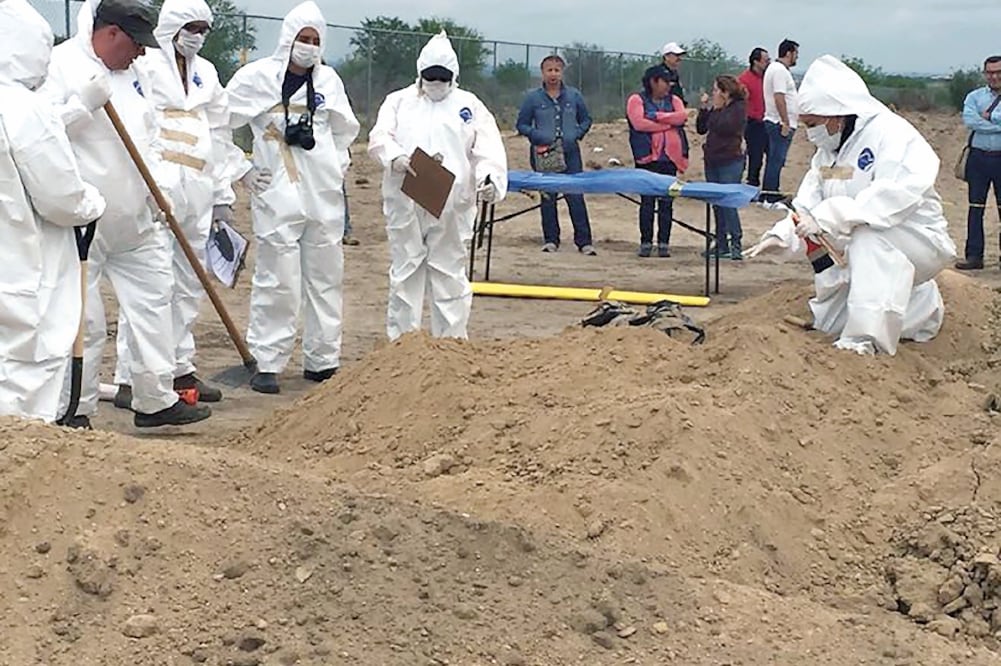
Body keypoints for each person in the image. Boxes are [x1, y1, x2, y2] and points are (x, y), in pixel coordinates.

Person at [41, 0, 211, 427]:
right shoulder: (59, 66)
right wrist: (82, 104)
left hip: (138, 220)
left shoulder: (138, 74)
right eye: (135, 44)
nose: (141, 53)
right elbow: (37, 135)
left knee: (156, 305)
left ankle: (154, 399)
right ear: (111, 33)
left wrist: (162, 190)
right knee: (86, 322)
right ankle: (74, 407)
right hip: (82, 224)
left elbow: (152, 137)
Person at [747, 55, 957, 356]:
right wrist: (783, 235)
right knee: (831, 314)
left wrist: (831, 216)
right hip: (858, 241)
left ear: (836, 116)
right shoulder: (828, 151)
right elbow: (809, 201)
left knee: (868, 238)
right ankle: (918, 309)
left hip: (917, 238)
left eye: (812, 124)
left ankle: (865, 341)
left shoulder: (893, 134)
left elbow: (892, 196)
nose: (809, 132)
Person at [113, 0, 251, 410]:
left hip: (199, 189)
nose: (197, 35)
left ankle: (179, 366)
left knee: (189, 282)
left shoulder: (206, 73)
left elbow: (220, 131)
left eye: (203, 29)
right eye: (190, 26)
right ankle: (130, 375)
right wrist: (149, 186)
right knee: (151, 284)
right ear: (172, 26)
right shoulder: (146, 66)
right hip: (159, 185)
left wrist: (223, 194)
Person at [226, 0, 360, 395]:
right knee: (277, 279)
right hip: (277, 190)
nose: (309, 46)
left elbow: (343, 131)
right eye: (303, 38)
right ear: (288, 39)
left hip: (322, 194)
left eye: (316, 40)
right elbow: (216, 124)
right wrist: (241, 169)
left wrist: (337, 165)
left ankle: (322, 359)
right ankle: (268, 361)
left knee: (325, 277)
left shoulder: (329, 81)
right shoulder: (256, 78)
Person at [0, 0, 108, 423]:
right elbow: (61, 198)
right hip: (26, 271)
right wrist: (91, 202)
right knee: (26, 371)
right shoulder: (24, 110)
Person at [368, 30, 508, 341]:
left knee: (449, 273)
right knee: (406, 271)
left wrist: (490, 178)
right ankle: (403, 345)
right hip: (405, 198)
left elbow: (488, 149)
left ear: (453, 75)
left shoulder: (469, 105)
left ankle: (452, 344)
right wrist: (396, 158)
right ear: (420, 73)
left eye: (442, 77)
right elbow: (379, 138)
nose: (436, 82)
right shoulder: (399, 102)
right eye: (430, 76)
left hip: (453, 205)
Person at [515, 54, 595, 255]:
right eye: (549, 70)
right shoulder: (532, 98)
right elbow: (522, 124)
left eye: (557, 70)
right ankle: (551, 240)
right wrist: (537, 136)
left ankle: (584, 242)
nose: (553, 74)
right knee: (548, 197)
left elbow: (586, 120)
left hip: (570, 154)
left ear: (562, 72)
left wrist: (576, 134)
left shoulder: (574, 96)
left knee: (575, 196)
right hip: (544, 154)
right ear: (542, 72)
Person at [625, 64, 688, 258]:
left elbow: (682, 117)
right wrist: (667, 125)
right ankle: (645, 242)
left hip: (669, 159)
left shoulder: (674, 100)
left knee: (667, 202)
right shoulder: (637, 100)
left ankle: (663, 243)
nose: (668, 86)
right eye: (665, 82)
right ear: (653, 82)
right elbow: (639, 123)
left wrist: (658, 117)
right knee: (647, 202)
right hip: (646, 158)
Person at [955, 55, 1001, 271]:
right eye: (990, 72)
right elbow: (970, 120)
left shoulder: (981, 103)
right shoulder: (974, 97)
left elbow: (980, 122)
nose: (994, 76)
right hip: (978, 157)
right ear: (985, 74)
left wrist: (989, 118)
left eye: (998, 72)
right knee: (975, 208)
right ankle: (974, 256)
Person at [696, 75, 748, 260]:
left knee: (728, 202)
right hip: (713, 160)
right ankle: (721, 243)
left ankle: (736, 243)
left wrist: (715, 111)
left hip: (730, 161)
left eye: (716, 90)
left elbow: (726, 127)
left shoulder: (738, 109)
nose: (713, 94)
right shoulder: (717, 110)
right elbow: (701, 128)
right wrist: (704, 109)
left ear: (725, 93)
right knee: (717, 203)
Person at [762, 38, 799, 202]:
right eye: (796, 53)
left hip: (779, 121)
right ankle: (770, 194)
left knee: (776, 159)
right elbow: (779, 96)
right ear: (789, 53)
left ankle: (771, 191)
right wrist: (785, 121)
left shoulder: (778, 70)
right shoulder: (778, 71)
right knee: (776, 159)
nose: (796, 57)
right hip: (779, 122)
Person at [737, 47, 770, 187]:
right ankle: (752, 183)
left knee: (771, 154)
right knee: (755, 155)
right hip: (752, 122)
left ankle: (768, 185)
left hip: (768, 120)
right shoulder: (744, 79)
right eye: (766, 60)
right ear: (756, 62)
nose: (768, 62)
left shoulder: (768, 78)